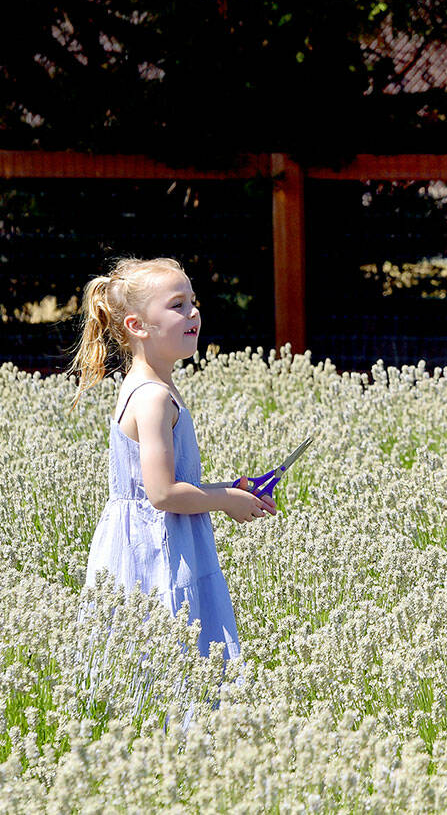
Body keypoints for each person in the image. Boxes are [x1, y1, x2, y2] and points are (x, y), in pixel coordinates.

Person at [69, 256, 276, 660]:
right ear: (137, 326)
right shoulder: (153, 397)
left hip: (161, 534)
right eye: (177, 304)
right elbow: (162, 494)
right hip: (156, 545)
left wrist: (230, 489)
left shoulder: (153, 386)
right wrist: (224, 502)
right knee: (167, 653)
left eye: (193, 302)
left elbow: (169, 484)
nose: (193, 312)